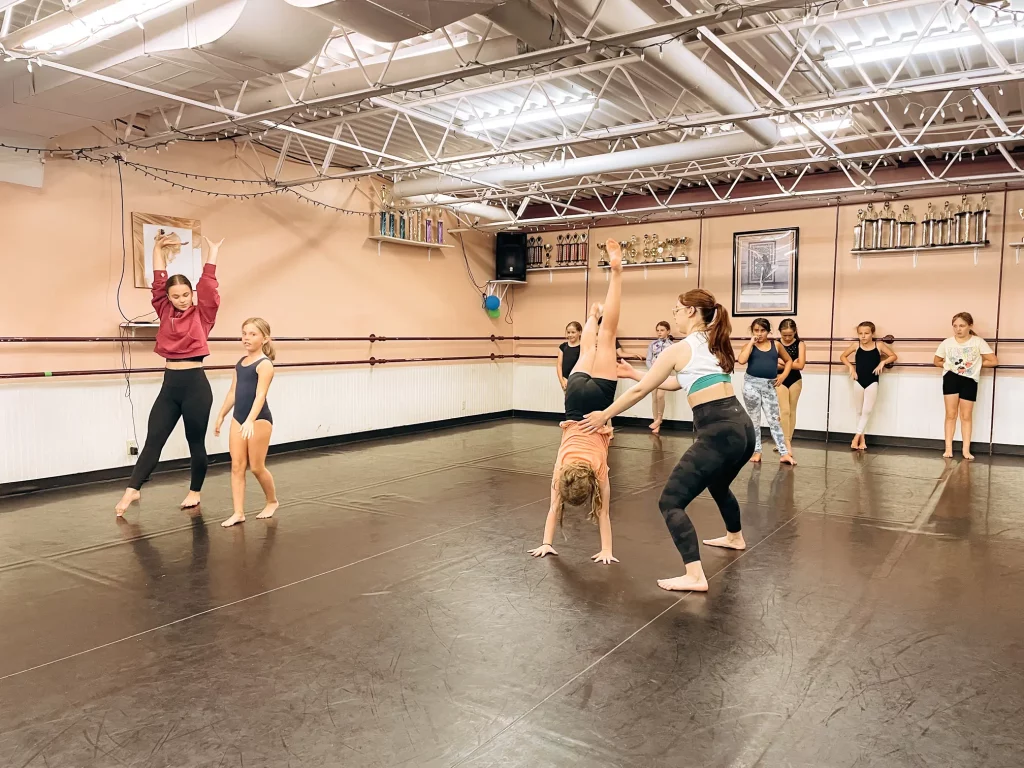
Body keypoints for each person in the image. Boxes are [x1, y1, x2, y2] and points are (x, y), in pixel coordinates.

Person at [580, 289, 755, 592]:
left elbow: (640, 393)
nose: (673, 314)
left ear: (690, 311)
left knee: (671, 501)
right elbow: (677, 381)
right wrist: (635, 372)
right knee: (718, 485)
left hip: (718, 433)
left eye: (676, 309)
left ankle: (695, 575)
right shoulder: (712, 344)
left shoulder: (680, 348)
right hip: (743, 430)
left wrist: (603, 414)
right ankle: (734, 536)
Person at [529, 239, 625, 566]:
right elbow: (553, 507)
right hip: (574, 398)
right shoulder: (560, 472)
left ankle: (616, 277)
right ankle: (591, 318)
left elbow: (604, 513)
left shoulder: (597, 471)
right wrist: (544, 541)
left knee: (609, 335)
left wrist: (609, 550)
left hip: (599, 404)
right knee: (586, 350)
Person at [115, 234, 223, 516]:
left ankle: (195, 490)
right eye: (176, 297)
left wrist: (212, 255)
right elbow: (159, 280)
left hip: (195, 387)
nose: (181, 300)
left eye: (186, 295)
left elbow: (209, 288)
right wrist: (156, 248)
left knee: (194, 442)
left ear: (191, 294)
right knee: (154, 438)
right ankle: (133, 489)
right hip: (170, 386)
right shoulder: (164, 310)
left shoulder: (203, 314)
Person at [215, 318, 279, 527]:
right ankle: (238, 512)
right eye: (244, 333)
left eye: (252, 334)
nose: (247, 338)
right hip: (238, 418)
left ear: (264, 338)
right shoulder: (241, 363)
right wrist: (222, 415)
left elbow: (260, 395)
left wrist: (250, 420)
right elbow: (233, 392)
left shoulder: (265, 365)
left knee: (256, 467)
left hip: (259, 419)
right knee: (237, 466)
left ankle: (272, 501)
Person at [934, 312, 997, 460]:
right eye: (955, 326)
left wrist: (976, 365)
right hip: (951, 378)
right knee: (950, 414)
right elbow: (936, 361)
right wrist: (947, 365)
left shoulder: (978, 342)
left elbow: (993, 361)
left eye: (962, 326)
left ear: (970, 326)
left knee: (966, 416)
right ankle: (948, 448)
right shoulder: (947, 342)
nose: (958, 329)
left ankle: (966, 450)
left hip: (969, 380)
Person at [738, 318, 796, 464]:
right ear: (752, 331)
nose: (759, 334)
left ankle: (784, 453)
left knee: (774, 419)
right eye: (756, 330)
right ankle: (757, 451)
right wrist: (751, 343)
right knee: (754, 420)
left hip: (769, 386)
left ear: (768, 331)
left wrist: (783, 376)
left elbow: (789, 361)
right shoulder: (749, 346)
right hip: (751, 385)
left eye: (762, 330)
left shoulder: (776, 345)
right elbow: (741, 360)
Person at [839, 322, 897, 451]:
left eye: (866, 333)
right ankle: (862, 440)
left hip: (872, 381)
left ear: (872, 333)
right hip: (858, 380)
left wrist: (883, 362)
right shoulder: (856, 345)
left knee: (867, 411)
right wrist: (851, 367)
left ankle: (856, 437)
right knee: (859, 411)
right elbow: (842, 356)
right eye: (860, 334)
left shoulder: (879, 345)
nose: (863, 336)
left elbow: (893, 356)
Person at [776, 319, 805, 450]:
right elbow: (772, 363)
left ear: (795, 332)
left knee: (792, 410)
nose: (787, 338)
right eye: (784, 335)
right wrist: (792, 363)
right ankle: (783, 441)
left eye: (790, 335)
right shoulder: (775, 344)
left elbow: (801, 365)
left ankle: (788, 441)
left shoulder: (800, 344)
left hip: (795, 379)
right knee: (784, 410)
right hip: (779, 378)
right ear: (779, 333)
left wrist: (784, 363)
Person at [645, 321, 674, 434]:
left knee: (660, 396)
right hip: (653, 373)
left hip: (665, 374)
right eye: (658, 330)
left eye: (662, 330)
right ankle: (655, 421)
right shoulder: (653, 344)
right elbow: (648, 359)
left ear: (668, 331)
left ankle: (659, 419)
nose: (659, 332)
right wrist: (651, 370)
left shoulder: (672, 345)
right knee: (654, 396)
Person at [556, 321, 583, 392]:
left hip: (579, 381)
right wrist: (562, 381)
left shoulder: (583, 347)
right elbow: (559, 365)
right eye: (568, 332)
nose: (570, 335)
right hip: (566, 380)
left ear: (579, 332)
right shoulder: (563, 347)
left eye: (573, 332)